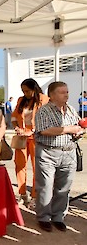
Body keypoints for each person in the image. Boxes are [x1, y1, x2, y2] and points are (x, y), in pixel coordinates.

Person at [34, 81, 82, 232]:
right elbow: (44, 130)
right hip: (48, 152)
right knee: (46, 187)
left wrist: (79, 131)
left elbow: (78, 125)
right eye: (62, 92)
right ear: (52, 95)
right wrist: (69, 129)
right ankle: (44, 217)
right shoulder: (43, 111)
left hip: (69, 153)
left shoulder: (72, 110)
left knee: (64, 188)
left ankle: (58, 217)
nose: (66, 94)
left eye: (67, 92)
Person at [11, 78, 49, 208]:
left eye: (27, 91)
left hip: (37, 138)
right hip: (22, 138)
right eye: (23, 91)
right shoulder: (21, 100)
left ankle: (35, 196)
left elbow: (45, 120)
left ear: (34, 88)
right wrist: (17, 127)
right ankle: (22, 194)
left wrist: (32, 131)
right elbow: (14, 117)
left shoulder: (44, 99)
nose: (25, 93)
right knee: (19, 165)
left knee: (36, 167)